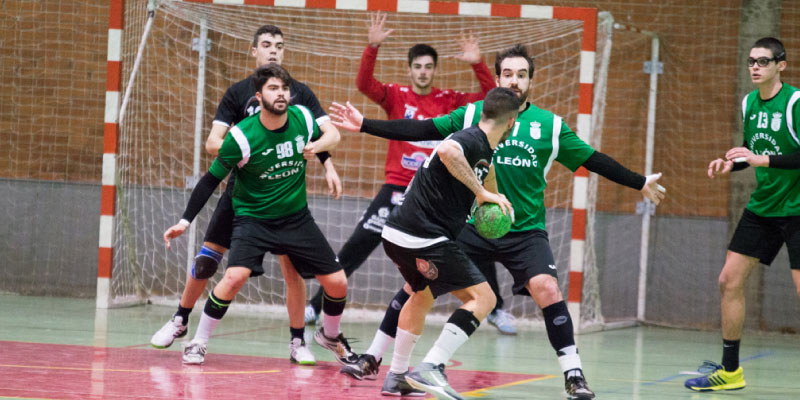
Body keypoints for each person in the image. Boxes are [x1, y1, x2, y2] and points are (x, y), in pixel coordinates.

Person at [330, 44, 666, 399]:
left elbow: (592, 159)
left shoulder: (550, 125)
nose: (515, 81)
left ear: (531, 81)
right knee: (418, 286)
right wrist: (366, 125)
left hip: (523, 229)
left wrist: (639, 182)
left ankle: (574, 375)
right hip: (473, 225)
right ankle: (374, 358)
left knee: (547, 289)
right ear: (497, 78)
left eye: (522, 75)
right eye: (508, 74)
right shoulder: (478, 113)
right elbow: (424, 129)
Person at [305, 11, 515, 336]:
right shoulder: (397, 96)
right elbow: (364, 85)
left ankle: (495, 308)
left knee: (473, 240)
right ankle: (317, 304)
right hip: (397, 188)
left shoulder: (450, 101)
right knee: (358, 243)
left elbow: (491, 102)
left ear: (434, 70)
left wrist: (478, 63)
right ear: (409, 69)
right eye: (417, 66)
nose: (423, 72)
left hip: (439, 194)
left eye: (429, 66)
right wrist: (372, 47)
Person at [150, 25, 342, 366]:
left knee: (293, 271)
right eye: (266, 45)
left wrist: (325, 162)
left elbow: (319, 134)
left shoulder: (298, 97)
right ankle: (181, 319)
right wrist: (250, 147)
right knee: (209, 262)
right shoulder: (240, 95)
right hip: (241, 193)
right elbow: (214, 144)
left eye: (279, 46)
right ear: (253, 51)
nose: (273, 51)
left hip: (283, 199)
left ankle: (298, 342)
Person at [377, 87, 518, 399]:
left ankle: (397, 376)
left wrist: (494, 198)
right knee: (485, 299)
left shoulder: (483, 151)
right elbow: (448, 151)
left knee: (421, 296)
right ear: (511, 122)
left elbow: (485, 171)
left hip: (398, 234)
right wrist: (482, 194)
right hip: (424, 237)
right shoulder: (469, 139)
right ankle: (431, 366)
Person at [685, 37, 800, 393]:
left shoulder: (795, 102)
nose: (755, 67)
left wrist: (759, 160)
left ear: (781, 65)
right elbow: (753, 150)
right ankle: (730, 371)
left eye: (764, 61)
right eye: (752, 61)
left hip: (798, 210)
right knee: (728, 281)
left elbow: (771, 157)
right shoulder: (749, 102)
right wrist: (729, 164)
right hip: (763, 207)